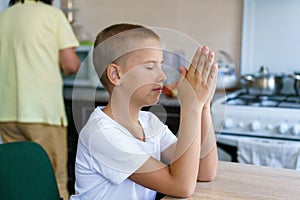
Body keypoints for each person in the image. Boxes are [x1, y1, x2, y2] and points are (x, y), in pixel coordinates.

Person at [70, 23, 218, 200]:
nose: (162, 76)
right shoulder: (102, 134)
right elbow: (181, 186)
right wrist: (190, 106)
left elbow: (205, 171)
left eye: (161, 65)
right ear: (116, 75)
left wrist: (203, 106)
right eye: (150, 67)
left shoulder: (149, 122)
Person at [0, 0, 80, 199]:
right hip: (42, 111)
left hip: (6, 113)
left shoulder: (4, 16)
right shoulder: (52, 15)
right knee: (53, 178)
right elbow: (70, 64)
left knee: (20, 177)